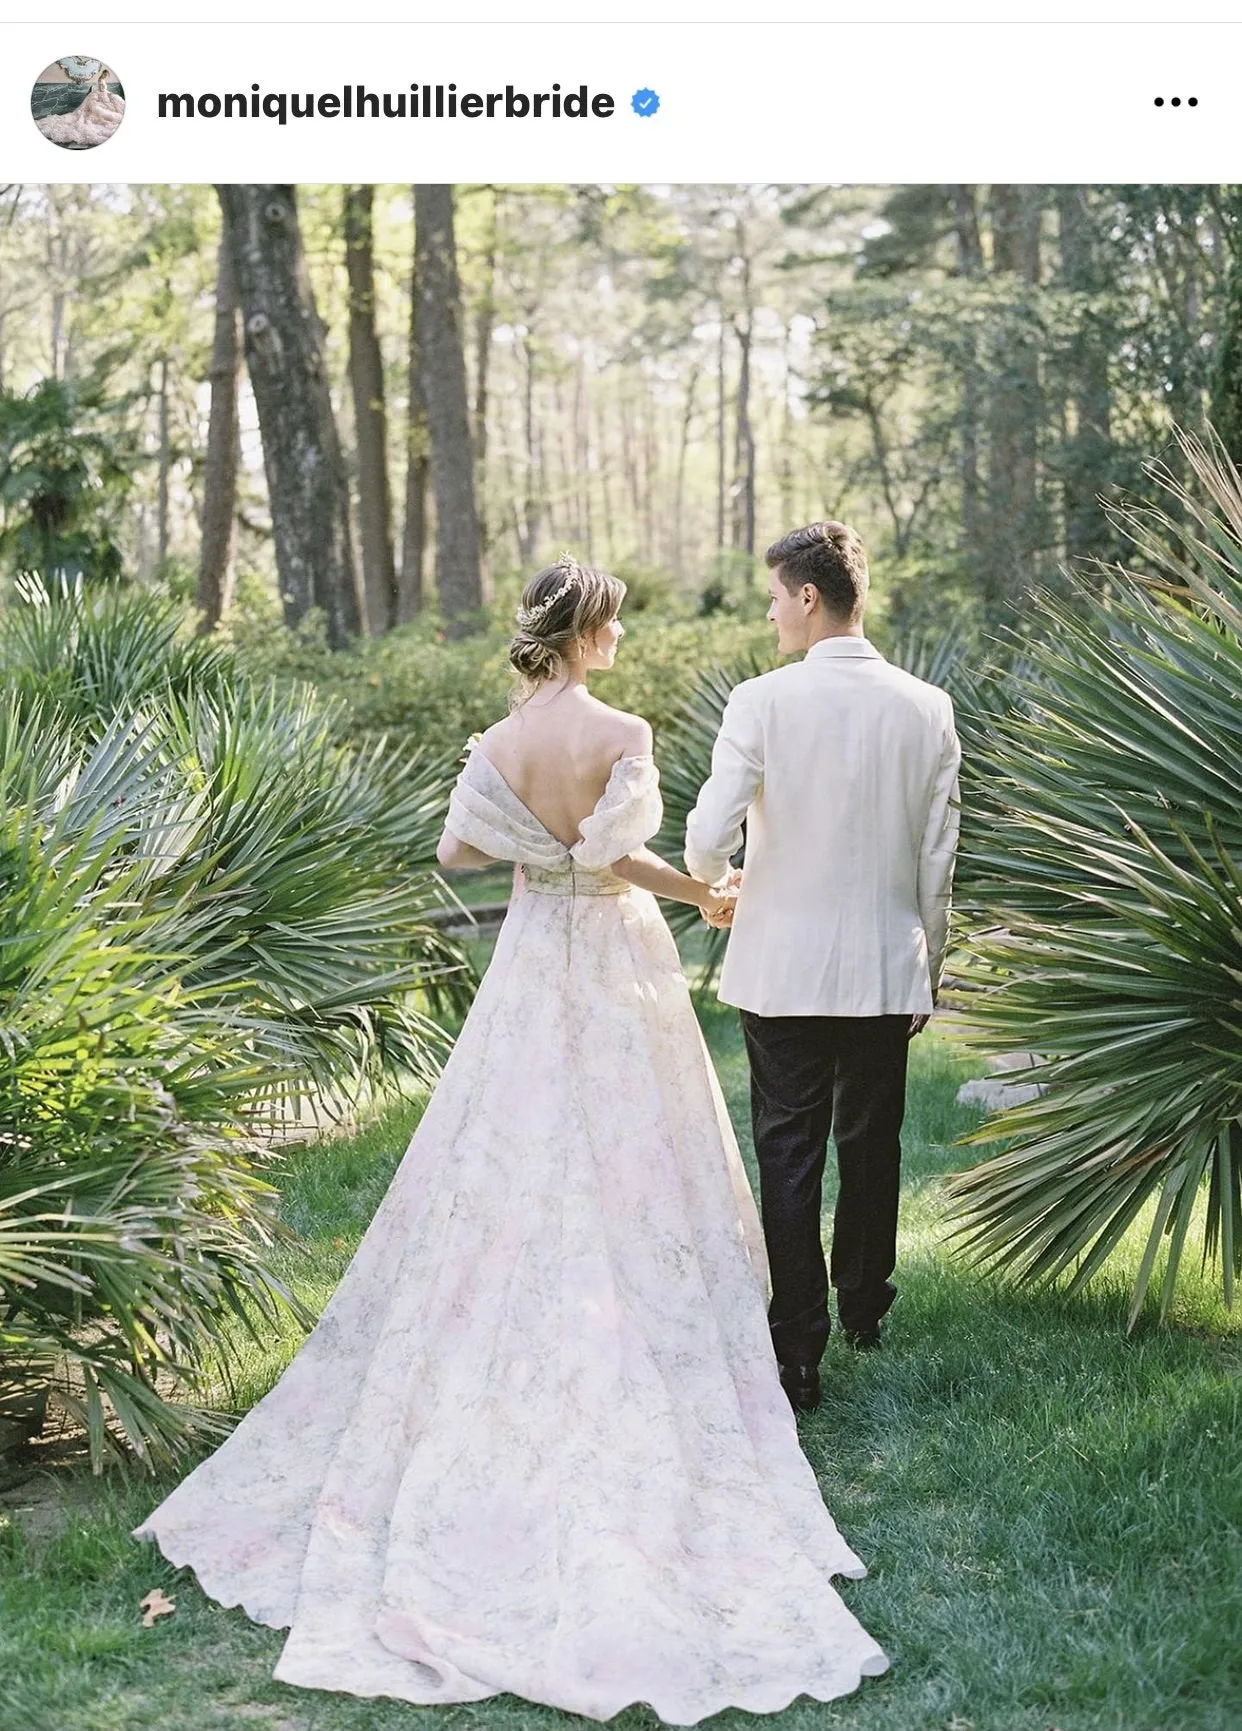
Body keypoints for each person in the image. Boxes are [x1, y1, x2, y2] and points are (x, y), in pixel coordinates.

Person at [132, 553, 889, 1723]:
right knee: (639, 1147)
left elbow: (459, 856)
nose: (624, 641)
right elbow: (620, 859)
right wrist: (703, 897)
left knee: (513, 1141)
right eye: (618, 624)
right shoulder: (620, 728)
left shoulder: (496, 743)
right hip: (615, 949)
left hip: (535, 955)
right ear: (586, 629)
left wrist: (541, 852)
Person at [685, 522, 961, 1415]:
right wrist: (931, 959)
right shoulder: (928, 706)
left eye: (775, 596)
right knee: (871, 1142)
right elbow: (936, 858)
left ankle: (796, 1350)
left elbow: (701, 840)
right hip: (886, 965)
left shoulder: (761, 702)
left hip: (782, 969)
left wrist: (717, 879)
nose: (770, 612)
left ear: (810, 597)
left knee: (789, 1151)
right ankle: (866, 1308)